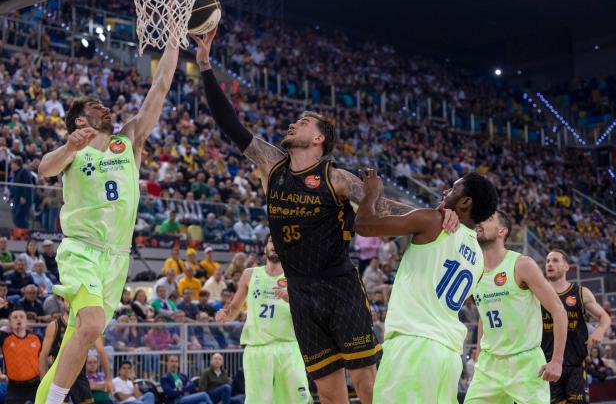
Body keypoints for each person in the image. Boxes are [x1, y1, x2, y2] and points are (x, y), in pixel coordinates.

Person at [194, 28, 415, 404]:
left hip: (340, 288)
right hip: (300, 292)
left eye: (304, 122)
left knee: (366, 385)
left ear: (319, 139)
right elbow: (231, 125)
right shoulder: (272, 165)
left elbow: (387, 210)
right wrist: (204, 67)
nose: (293, 124)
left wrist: (432, 217)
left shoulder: (338, 178)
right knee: (328, 394)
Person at [35, 35, 179, 404]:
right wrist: (69, 146)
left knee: (80, 339)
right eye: (97, 106)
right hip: (82, 250)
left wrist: (175, 41)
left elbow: (160, 88)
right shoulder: (73, 150)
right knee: (93, 326)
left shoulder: (128, 140)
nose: (107, 108)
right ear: (81, 119)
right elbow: (43, 169)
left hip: (117, 259)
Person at [354, 170, 494, 403]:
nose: (445, 191)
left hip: (414, 345)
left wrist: (372, 192)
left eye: (453, 189)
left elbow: (364, 225)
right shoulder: (479, 258)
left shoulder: (434, 221)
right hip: (448, 356)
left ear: (465, 202)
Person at [464, 210, 568, 404]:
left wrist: (557, 361)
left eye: (487, 219)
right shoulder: (474, 270)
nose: (479, 222)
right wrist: (478, 354)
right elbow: (483, 316)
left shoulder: (522, 265)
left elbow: (558, 310)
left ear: (502, 231)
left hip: (525, 363)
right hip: (489, 365)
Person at [216, 235, 311, 403]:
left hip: (288, 346)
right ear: (265, 247)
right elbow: (236, 307)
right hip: (257, 348)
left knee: (298, 400)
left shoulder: (297, 276)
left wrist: (293, 299)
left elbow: (310, 311)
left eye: (279, 240)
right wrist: (226, 314)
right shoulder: (250, 274)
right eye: (271, 241)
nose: (275, 244)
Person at [542, 249, 611, 403]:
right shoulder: (538, 294)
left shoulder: (580, 293)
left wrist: (599, 331)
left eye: (555, 260)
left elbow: (604, 317)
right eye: (547, 261)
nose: (549, 264)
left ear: (567, 266)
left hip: (575, 365)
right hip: (548, 365)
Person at [39, 300, 113, 404]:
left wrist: (108, 378)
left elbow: (101, 351)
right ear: (62, 302)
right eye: (68, 299)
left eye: (74, 299)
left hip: (79, 376)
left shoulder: (87, 326)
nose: (71, 303)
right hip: (58, 376)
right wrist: (43, 380)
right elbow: (43, 355)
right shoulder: (54, 325)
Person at [0, 309, 41, 404]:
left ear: (26, 321)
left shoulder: (37, 338)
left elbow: (46, 359)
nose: (18, 319)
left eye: (22, 317)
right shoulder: (4, 338)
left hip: (35, 386)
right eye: (15, 317)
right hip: (13, 388)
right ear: (9, 323)